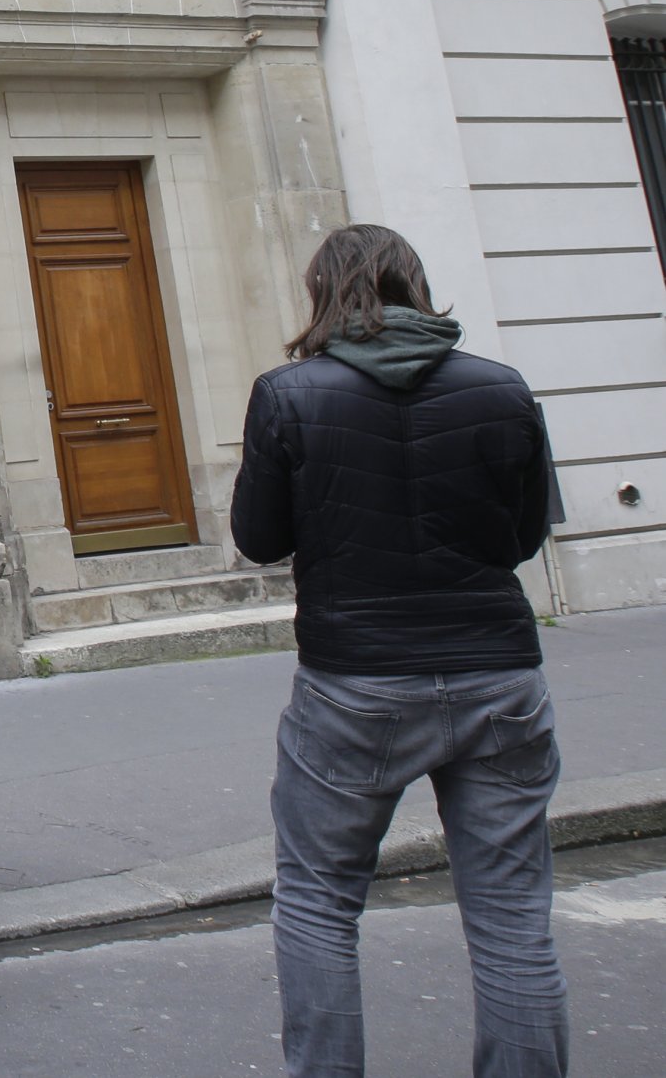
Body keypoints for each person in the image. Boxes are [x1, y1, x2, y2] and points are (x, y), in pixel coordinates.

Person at [232, 224, 566, 1078]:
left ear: (322, 292)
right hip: (498, 670)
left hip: (357, 681)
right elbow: (524, 535)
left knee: (316, 902)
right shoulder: (503, 388)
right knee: (513, 920)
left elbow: (259, 538)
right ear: (413, 285)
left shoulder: (288, 392)